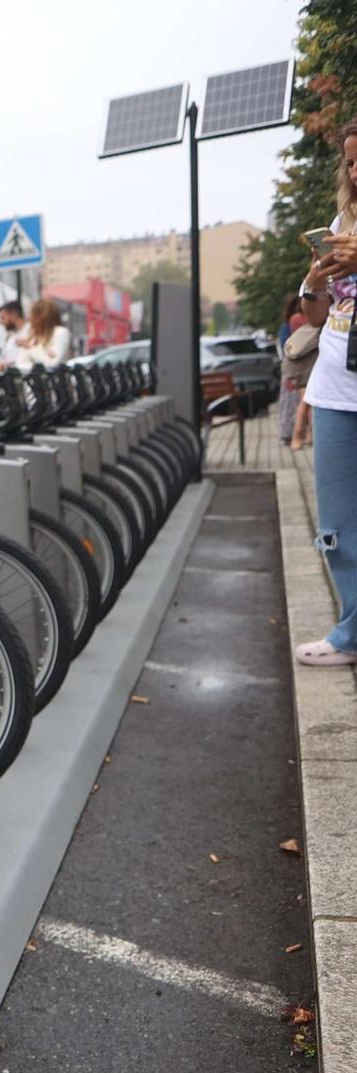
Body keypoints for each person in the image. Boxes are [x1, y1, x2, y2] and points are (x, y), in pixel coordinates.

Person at [296, 116, 357, 665]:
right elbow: (318, 314)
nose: (356, 172)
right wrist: (315, 282)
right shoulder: (343, 223)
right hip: (336, 389)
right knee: (337, 523)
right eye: (351, 161)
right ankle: (350, 632)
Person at [279, 295, 315, 450]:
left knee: (306, 403)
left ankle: (307, 436)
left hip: (303, 368)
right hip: (304, 368)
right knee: (305, 403)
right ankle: (297, 436)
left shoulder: (291, 321)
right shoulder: (299, 319)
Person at [11, 298, 71, 368]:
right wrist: (44, 354)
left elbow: (52, 364)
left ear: (41, 317)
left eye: (33, 315)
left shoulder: (60, 333)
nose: (29, 318)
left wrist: (31, 348)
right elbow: (20, 363)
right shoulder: (34, 336)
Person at [0, 299, 29, 366]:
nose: (1, 322)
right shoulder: (9, 337)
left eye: (3, 318)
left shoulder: (31, 332)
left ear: (14, 315)